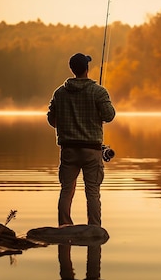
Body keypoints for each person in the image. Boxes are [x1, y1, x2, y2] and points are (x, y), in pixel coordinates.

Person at [47, 53, 116, 227]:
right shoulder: (99, 92)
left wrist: (67, 125)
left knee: (66, 190)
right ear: (87, 68)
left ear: (72, 69)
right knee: (92, 192)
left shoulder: (59, 93)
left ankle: (64, 227)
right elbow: (109, 116)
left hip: (68, 150)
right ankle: (94, 229)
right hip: (92, 150)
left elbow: (51, 119)